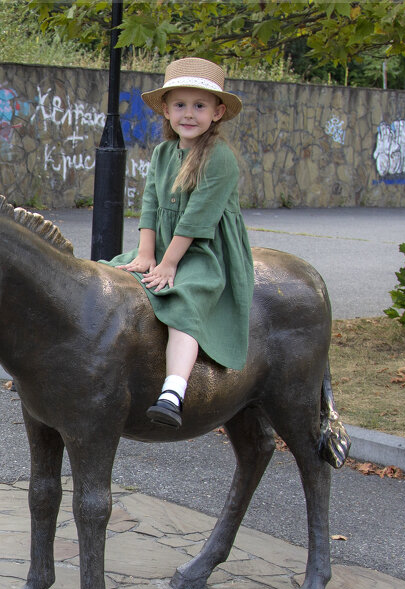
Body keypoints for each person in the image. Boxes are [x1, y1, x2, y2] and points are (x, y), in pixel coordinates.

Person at [103, 57, 254, 428]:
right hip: (164, 248)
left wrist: (169, 265)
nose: (189, 114)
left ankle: (173, 391)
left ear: (217, 113)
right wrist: (146, 254)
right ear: (167, 111)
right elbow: (151, 204)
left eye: (199, 106)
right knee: (108, 277)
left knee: (185, 301)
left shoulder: (219, 159)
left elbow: (196, 220)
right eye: (180, 105)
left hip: (206, 252)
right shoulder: (163, 153)